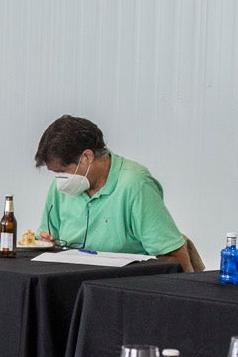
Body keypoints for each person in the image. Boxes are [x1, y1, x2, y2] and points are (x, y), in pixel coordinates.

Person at [34, 115, 192, 271]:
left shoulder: (135, 185)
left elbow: (172, 255)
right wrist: (49, 244)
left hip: (122, 284)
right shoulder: (61, 188)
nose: (60, 181)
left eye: (63, 172)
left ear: (87, 157)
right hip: (70, 279)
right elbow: (44, 239)